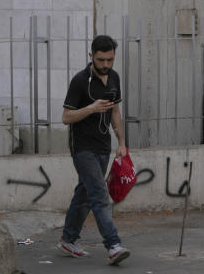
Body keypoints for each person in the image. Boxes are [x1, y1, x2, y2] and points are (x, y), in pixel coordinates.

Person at [57, 34, 131, 265]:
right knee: (99, 196)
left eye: (110, 60)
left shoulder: (114, 78)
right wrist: (90, 108)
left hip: (103, 147)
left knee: (85, 195)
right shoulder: (80, 81)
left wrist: (121, 143)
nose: (106, 65)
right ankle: (113, 245)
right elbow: (66, 117)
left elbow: (115, 112)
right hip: (82, 148)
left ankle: (68, 239)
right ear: (91, 57)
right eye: (101, 60)